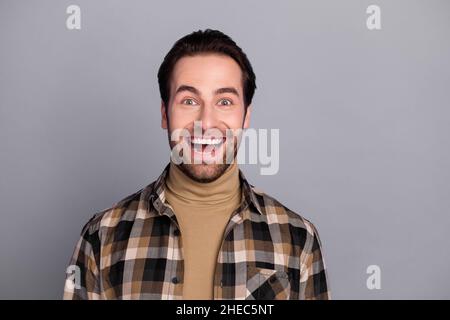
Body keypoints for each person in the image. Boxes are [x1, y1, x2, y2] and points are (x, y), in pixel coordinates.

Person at [63, 29, 330, 300]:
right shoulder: (102, 237)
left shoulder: (298, 239)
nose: (206, 122)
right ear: (165, 114)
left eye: (224, 102)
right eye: (189, 101)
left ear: (246, 116)